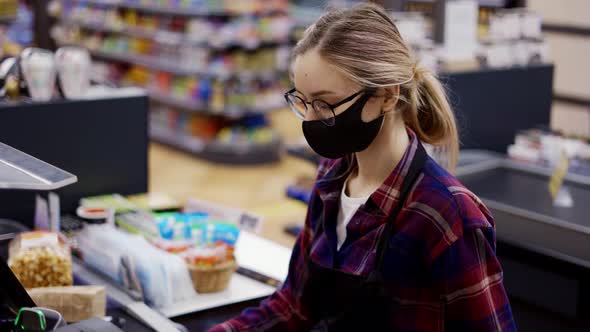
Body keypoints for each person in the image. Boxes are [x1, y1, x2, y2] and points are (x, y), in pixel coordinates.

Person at [211, 3, 516, 331]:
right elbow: (295, 305)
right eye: (303, 102)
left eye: (325, 104)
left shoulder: (446, 215)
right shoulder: (331, 176)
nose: (311, 120)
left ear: (386, 95)